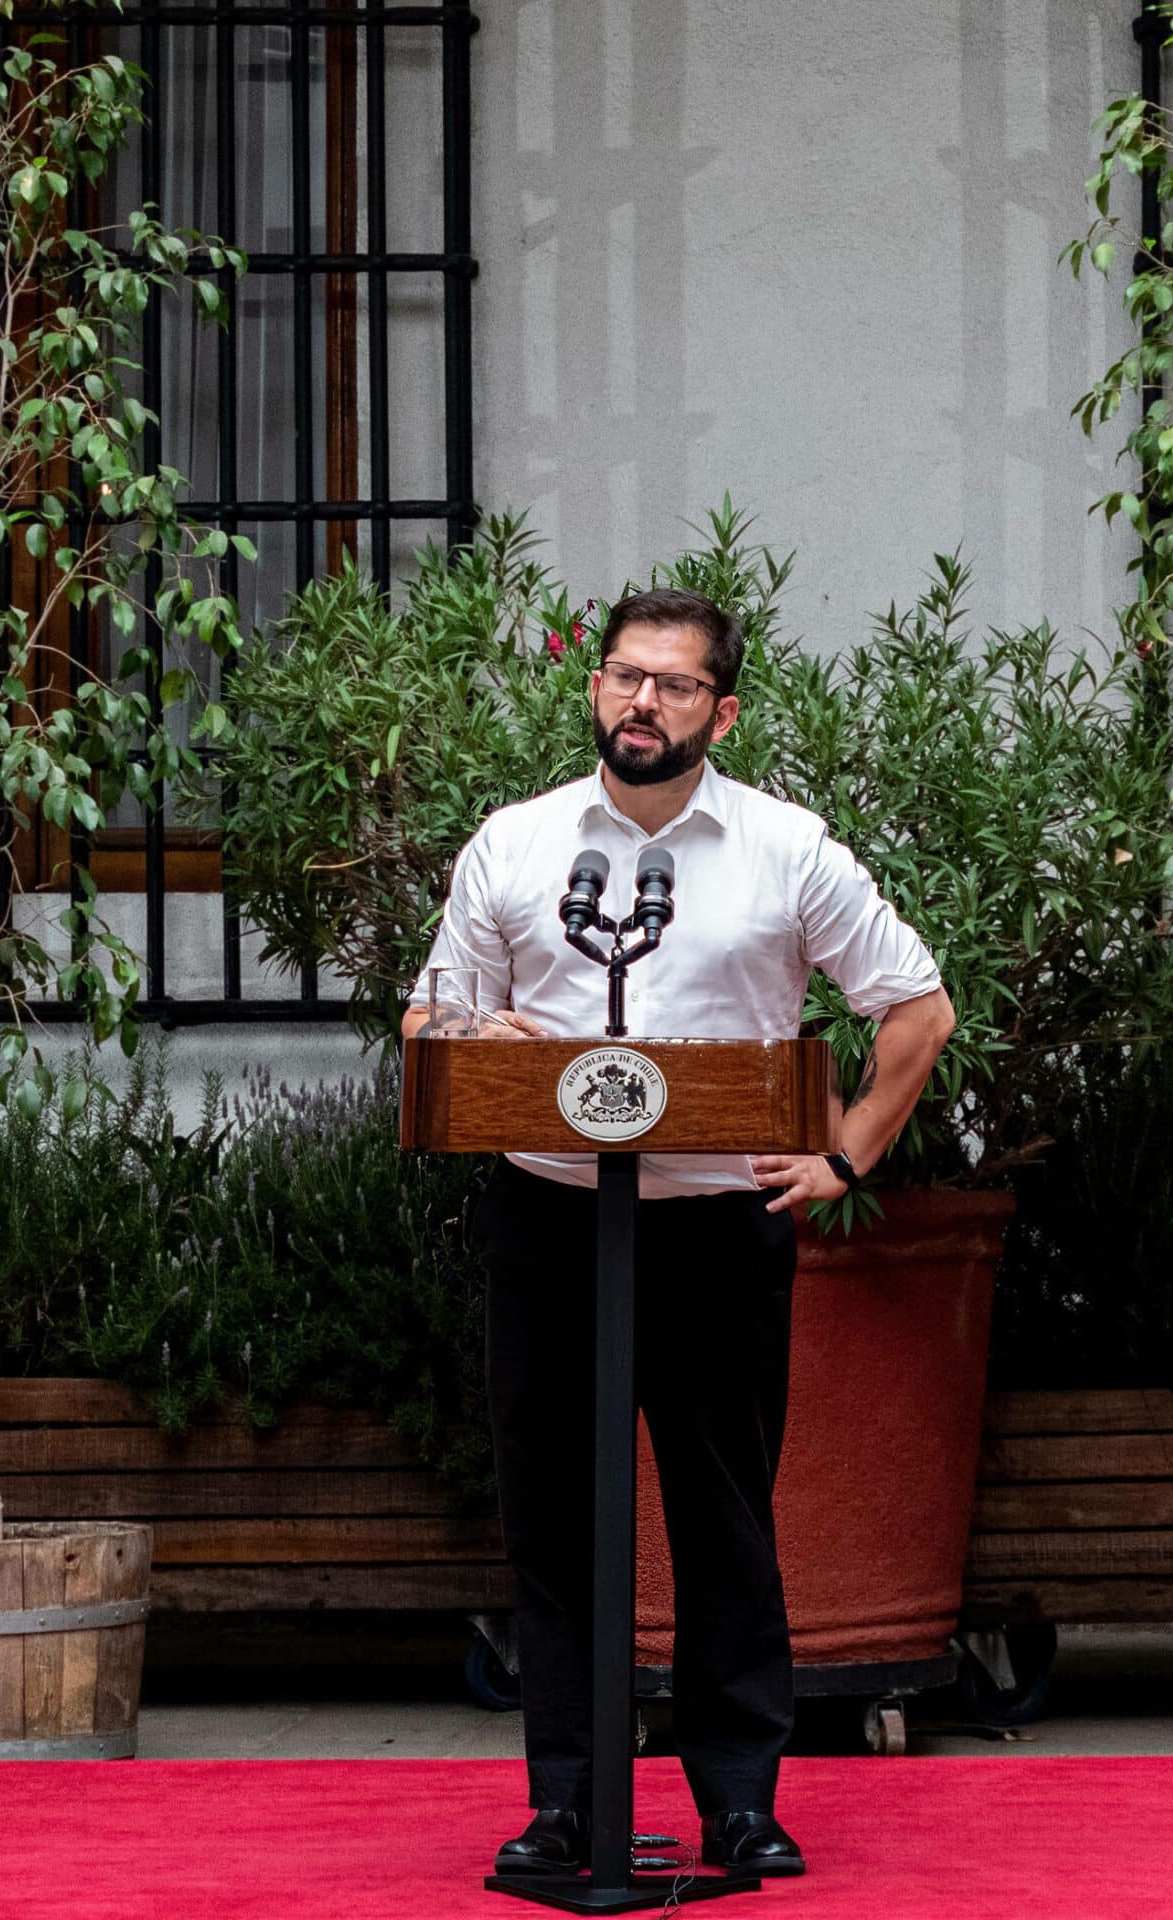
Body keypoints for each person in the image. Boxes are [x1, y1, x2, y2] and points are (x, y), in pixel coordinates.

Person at [402, 585, 956, 1881]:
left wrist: (848, 1151)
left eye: (674, 684)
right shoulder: (519, 846)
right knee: (552, 1519)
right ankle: (570, 1805)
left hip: (717, 1229)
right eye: (623, 676)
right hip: (549, 1220)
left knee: (723, 1519)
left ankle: (741, 1804)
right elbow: (435, 1025)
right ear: (594, 688)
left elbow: (916, 1009)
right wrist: (492, 1033)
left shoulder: (787, 849)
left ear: (725, 709)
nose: (642, 702)